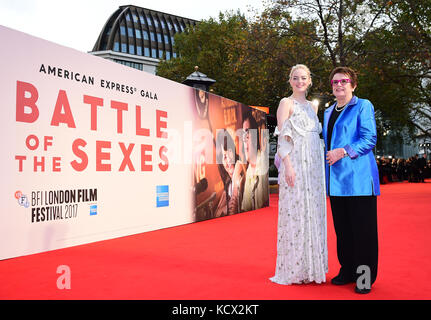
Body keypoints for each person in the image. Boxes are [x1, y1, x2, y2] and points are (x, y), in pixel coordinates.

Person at [323, 66, 380, 294]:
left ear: (353, 84)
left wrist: (343, 151)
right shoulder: (327, 112)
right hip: (335, 182)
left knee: (363, 233)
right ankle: (347, 270)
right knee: (343, 231)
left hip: (359, 181)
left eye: (344, 81)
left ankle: (364, 278)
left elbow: (369, 138)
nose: (339, 85)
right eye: (335, 82)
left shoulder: (363, 105)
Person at [270, 64, 328, 285]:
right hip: (294, 164)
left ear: (310, 80)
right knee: (296, 213)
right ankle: (294, 269)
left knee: (313, 213)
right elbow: (283, 136)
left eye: (303, 78)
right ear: (290, 80)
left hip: (313, 167)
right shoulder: (286, 103)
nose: (300, 81)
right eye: (295, 78)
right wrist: (287, 165)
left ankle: (311, 267)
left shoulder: (313, 107)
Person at [240, 110, 269, 212]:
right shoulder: (248, 171)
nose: (244, 138)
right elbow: (246, 207)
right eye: (243, 133)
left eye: (247, 131)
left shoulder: (263, 165)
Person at [214, 129, 245, 217]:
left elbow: (233, 209)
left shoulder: (240, 166)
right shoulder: (228, 184)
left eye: (230, 152)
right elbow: (217, 213)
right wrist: (226, 208)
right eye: (224, 157)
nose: (229, 159)